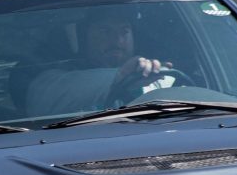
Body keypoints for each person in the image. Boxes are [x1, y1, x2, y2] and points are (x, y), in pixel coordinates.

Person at [25, 7, 171, 116]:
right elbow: (45, 101)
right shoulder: (58, 83)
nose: (117, 40)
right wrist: (120, 76)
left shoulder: (155, 78)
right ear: (83, 39)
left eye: (124, 31)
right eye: (105, 31)